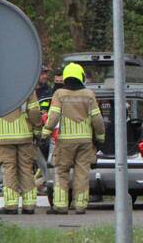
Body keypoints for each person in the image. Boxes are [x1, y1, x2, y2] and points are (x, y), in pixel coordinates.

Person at [43, 63, 104, 214]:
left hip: (65, 141)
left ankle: (60, 205)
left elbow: (54, 116)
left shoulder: (60, 94)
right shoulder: (89, 95)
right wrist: (100, 136)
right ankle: (80, 206)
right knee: (82, 173)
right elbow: (97, 119)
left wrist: (45, 133)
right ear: (81, 76)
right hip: (85, 141)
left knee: (61, 171)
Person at [0, 91, 43, 215]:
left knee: (9, 169)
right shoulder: (26, 86)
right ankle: (29, 205)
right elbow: (34, 111)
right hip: (25, 135)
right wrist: (37, 130)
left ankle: (11, 205)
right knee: (26, 168)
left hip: (3, 135)